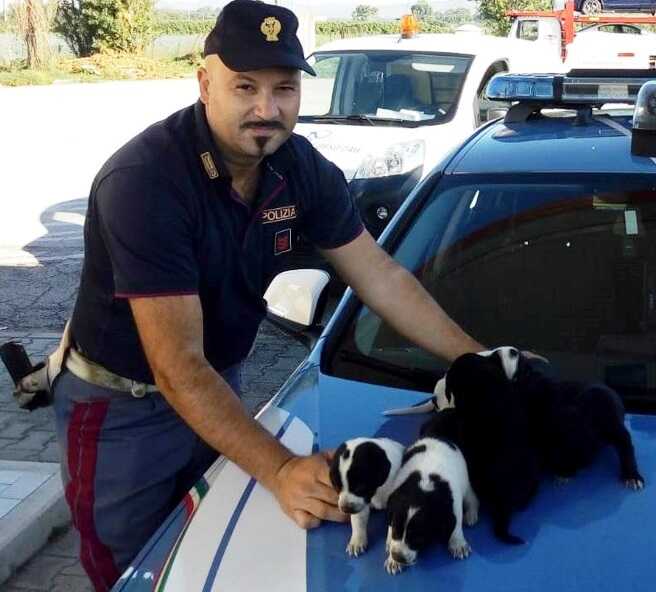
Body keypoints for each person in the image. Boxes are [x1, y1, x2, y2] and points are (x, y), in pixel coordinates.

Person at [51, 1, 484, 590]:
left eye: (284, 88)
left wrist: (477, 362)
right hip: (123, 409)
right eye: (245, 87)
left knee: (206, 554)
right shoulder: (146, 181)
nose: (267, 109)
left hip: (217, 388)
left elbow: (380, 277)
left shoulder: (298, 166)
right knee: (133, 571)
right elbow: (177, 366)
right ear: (205, 85)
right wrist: (280, 469)